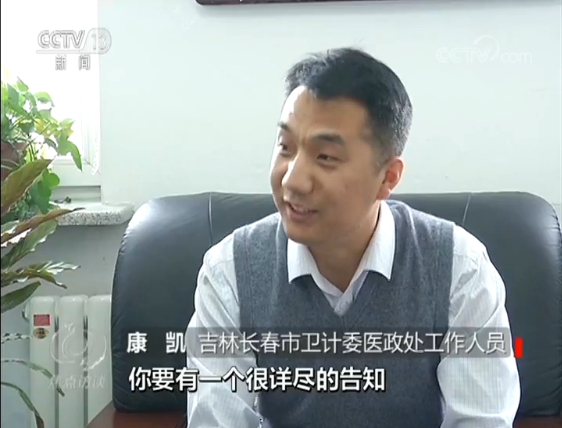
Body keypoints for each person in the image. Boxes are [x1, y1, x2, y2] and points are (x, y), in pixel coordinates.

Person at [185, 47, 521, 427]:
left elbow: (480, 420)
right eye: (285, 147)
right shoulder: (230, 271)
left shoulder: (460, 271)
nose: (293, 180)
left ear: (388, 178)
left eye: (325, 157)